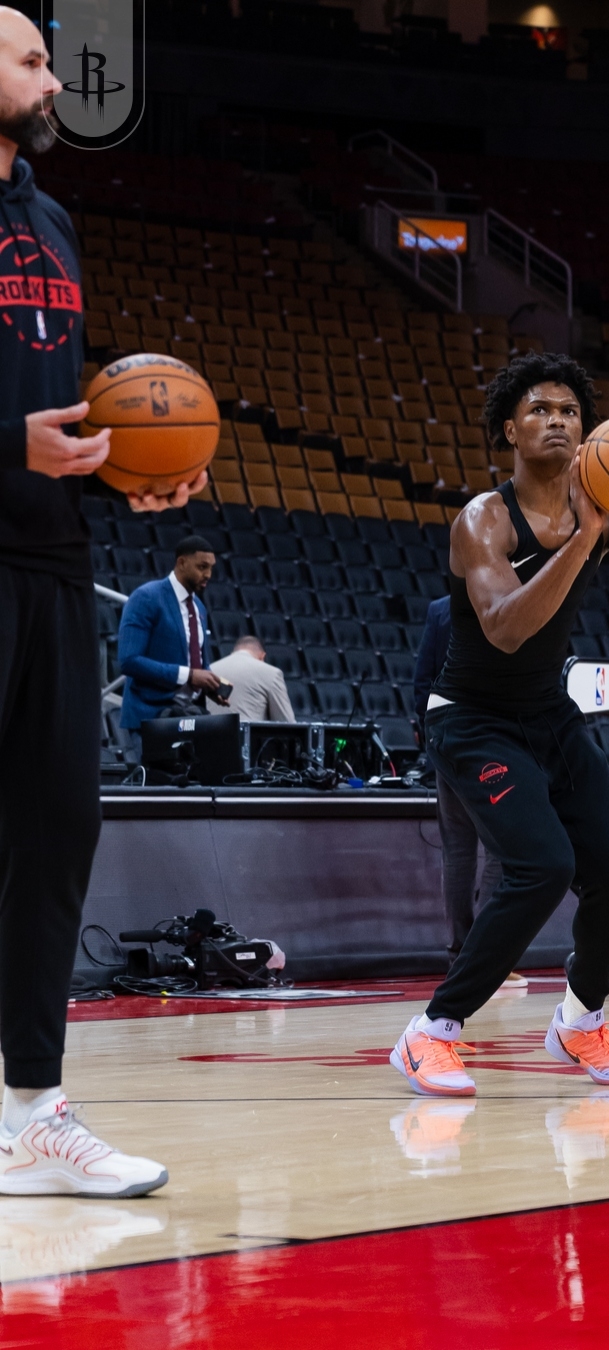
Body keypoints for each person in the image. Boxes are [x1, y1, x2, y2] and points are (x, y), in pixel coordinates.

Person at [0, 6, 204, 1196]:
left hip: (48, 560)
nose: (51, 78)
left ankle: (32, 1117)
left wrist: (130, 470)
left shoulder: (56, 220)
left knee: (54, 834)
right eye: (30, 59)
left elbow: (58, 413)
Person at [390, 352, 609, 1097]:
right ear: (510, 432)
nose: (557, 419)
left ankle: (580, 1021)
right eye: (539, 409)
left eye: (569, 410)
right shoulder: (484, 519)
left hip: (547, 713)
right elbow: (504, 629)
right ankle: (431, 1032)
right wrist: (582, 540)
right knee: (541, 866)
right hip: (470, 716)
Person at [414, 595, 506, 959]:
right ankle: (484, 953)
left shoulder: (439, 609)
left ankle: (460, 950)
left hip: (448, 739)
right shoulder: (507, 597)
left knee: (457, 853)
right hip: (493, 740)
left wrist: (432, 736)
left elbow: (422, 680)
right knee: (500, 850)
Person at [118, 535, 225, 757]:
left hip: (190, 716)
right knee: (157, 790)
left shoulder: (198, 607)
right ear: (181, 562)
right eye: (202, 567)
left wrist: (210, 684)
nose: (208, 575)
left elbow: (198, 663)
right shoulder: (146, 597)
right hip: (150, 717)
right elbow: (129, 661)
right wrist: (189, 676)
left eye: (211, 568)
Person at [208, 635, 295, 724]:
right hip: (248, 736)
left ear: (233, 652)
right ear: (262, 656)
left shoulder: (209, 670)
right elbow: (286, 722)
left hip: (208, 734)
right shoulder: (272, 673)